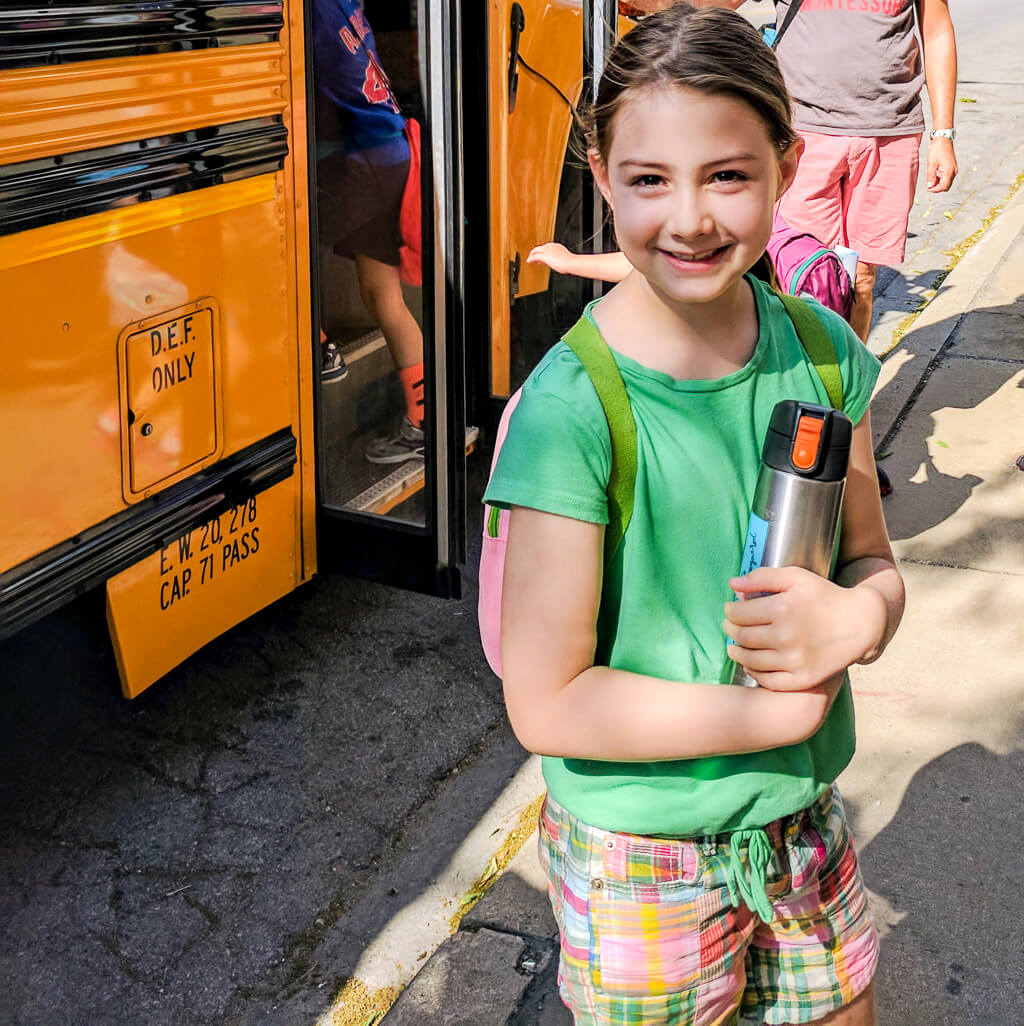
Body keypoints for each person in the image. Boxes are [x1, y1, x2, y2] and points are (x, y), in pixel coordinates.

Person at [484, 6, 905, 1025]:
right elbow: (548, 702)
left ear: (785, 162)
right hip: (641, 862)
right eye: (648, 179)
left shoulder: (819, 353)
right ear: (600, 171)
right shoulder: (570, 412)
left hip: (801, 822)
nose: (689, 218)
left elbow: (868, 556)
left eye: (726, 174)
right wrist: (778, 715)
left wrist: (867, 617)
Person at [312, 0, 426, 463]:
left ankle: (318, 349)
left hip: (362, 160)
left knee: (272, 241)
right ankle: (424, 423)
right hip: (388, 149)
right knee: (382, 295)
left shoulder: (311, 10)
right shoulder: (346, 6)